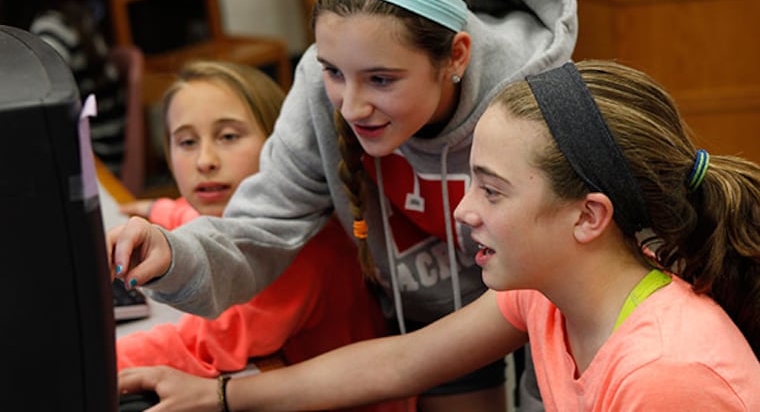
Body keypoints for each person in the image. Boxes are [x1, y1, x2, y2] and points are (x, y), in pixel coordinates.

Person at [119, 59, 760, 411]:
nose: (462, 211)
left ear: (588, 217)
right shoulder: (553, 290)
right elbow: (398, 363)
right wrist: (225, 395)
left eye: (493, 189)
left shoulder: (666, 375)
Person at [109, 0, 578, 410]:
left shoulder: (534, 104)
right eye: (332, 71)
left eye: (381, 79)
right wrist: (174, 253)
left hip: (549, 305)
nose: (352, 107)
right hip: (427, 318)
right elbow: (262, 227)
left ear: (455, 56)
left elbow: (567, 301)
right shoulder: (323, 80)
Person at [116, 60, 409, 412]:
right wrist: (157, 211)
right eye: (187, 142)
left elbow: (198, 345)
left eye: (228, 137)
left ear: (281, 149)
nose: (205, 160)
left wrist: (81, 360)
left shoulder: (287, 249)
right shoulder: (238, 216)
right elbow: (200, 219)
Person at [0, 0, 127, 174]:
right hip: (109, 148)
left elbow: (35, 112)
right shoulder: (74, 17)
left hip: (98, 160)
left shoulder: (49, 33)